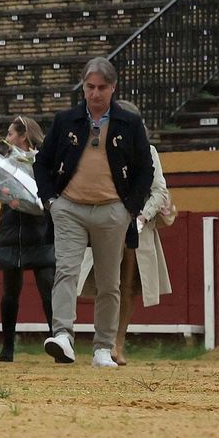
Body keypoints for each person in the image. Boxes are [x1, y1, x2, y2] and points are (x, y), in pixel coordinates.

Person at [34, 58, 155, 369]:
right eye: (90, 87)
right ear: (83, 87)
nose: (95, 93)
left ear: (113, 88)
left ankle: (103, 346)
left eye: (102, 87)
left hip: (112, 210)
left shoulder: (130, 123)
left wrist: (130, 208)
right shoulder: (65, 120)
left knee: (109, 281)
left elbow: (146, 169)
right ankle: (62, 335)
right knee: (66, 270)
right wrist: (51, 201)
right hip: (69, 208)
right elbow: (42, 162)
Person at [78, 124, 175, 366]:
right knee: (107, 283)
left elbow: (159, 191)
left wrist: (143, 216)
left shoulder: (148, 152)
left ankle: (116, 343)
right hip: (107, 221)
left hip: (136, 226)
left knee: (128, 286)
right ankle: (104, 341)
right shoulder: (101, 150)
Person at [0, 115, 55, 363]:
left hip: (37, 229)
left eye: (11, 133)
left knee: (47, 287)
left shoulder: (42, 161)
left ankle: (58, 340)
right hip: (13, 228)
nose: (7, 138)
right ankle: (7, 345)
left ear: (23, 136)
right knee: (10, 292)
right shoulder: (6, 163)